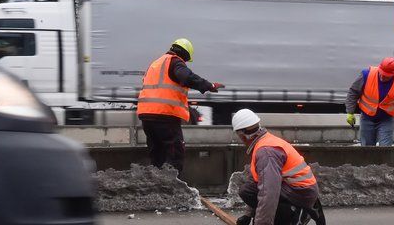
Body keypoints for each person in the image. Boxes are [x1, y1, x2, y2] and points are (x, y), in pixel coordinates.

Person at [137, 38, 224, 174]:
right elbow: (186, 77)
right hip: (165, 115)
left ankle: (156, 187)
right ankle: (173, 188)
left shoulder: (155, 63)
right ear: (184, 54)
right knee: (174, 153)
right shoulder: (175, 61)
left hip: (146, 115)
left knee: (157, 153)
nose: (185, 63)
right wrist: (208, 85)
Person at [232, 109, 325, 225]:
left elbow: (268, 192)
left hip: (302, 193)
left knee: (255, 192)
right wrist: (248, 215)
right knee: (248, 189)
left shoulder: (266, 153)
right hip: (300, 190)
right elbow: (255, 183)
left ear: (242, 135)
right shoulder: (265, 142)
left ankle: (295, 213)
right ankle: (288, 212)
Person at [345, 57, 394, 146]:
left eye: (386, 76)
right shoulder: (367, 75)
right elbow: (353, 92)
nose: (382, 76)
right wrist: (350, 112)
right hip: (367, 118)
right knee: (367, 148)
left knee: (385, 148)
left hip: (386, 119)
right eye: (381, 73)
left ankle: (383, 160)